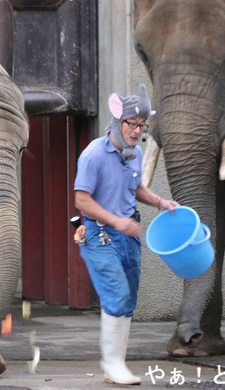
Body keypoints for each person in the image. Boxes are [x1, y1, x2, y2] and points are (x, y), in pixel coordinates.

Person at [74, 84, 179, 385]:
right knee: (117, 296)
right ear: (118, 121)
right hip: (99, 234)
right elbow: (82, 200)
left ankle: (114, 366)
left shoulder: (135, 153)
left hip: (128, 235)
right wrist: (117, 222)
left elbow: (137, 188)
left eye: (142, 125)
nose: (137, 131)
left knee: (128, 300)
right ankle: (113, 364)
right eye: (132, 124)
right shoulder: (93, 155)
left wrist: (160, 202)